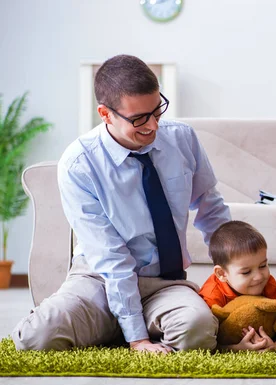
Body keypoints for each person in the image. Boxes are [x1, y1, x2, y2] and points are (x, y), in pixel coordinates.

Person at [11, 54, 231, 354]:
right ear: (105, 113)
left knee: (197, 333)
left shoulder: (181, 139)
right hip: (97, 282)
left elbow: (212, 209)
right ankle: (125, 327)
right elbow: (109, 257)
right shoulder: (79, 164)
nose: (153, 125)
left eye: (157, 111)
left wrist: (237, 273)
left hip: (164, 283)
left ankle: (113, 329)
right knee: (34, 338)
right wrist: (137, 338)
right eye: (139, 118)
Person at [199, 220, 276, 351]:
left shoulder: (268, 283)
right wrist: (236, 348)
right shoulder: (212, 296)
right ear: (222, 274)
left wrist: (275, 346)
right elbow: (203, 343)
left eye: (263, 266)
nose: (259, 276)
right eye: (246, 272)